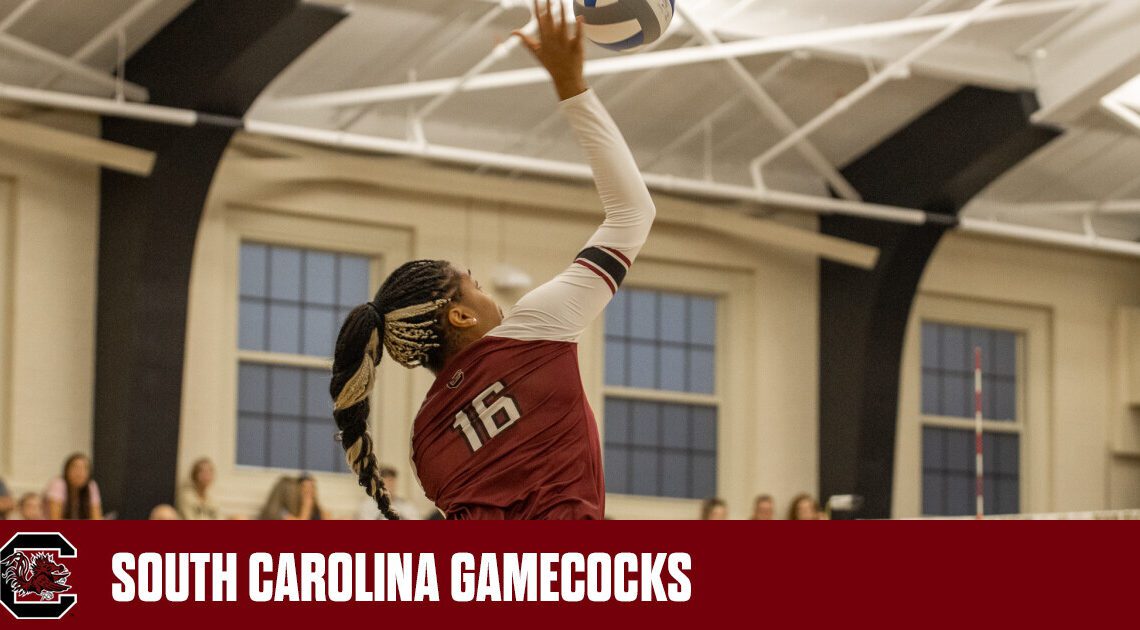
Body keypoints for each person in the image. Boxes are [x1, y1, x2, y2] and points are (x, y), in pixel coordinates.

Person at [328, 0, 654, 520]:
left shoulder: (425, 445)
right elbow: (632, 214)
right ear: (460, 314)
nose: (487, 294)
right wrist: (573, 87)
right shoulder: (533, 331)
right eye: (474, 285)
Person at [44, 453, 102, 520]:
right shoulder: (58, 484)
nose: (80, 472)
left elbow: (97, 518)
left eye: (84, 468)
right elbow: (55, 519)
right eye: (75, 467)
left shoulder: (91, 486)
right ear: (67, 470)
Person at [357, 467, 421, 520]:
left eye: (391, 482)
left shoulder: (406, 506)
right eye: (385, 483)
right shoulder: (367, 506)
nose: (389, 486)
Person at [258, 474, 324, 520]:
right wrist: (306, 506)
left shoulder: (315, 509)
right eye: (305, 487)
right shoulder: (281, 512)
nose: (309, 490)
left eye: (312, 487)